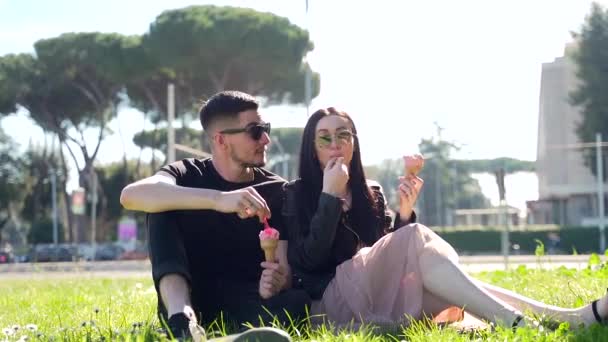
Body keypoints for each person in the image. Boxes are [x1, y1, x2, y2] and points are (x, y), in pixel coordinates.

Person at [284, 107, 608, 329]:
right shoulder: (296, 193)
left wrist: (404, 213)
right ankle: (519, 322)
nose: (336, 144)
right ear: (313, 148)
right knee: (415, 238)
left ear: (354, 144)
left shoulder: (371, 192)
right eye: (325, 137)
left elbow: (388, 255)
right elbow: (308, 262)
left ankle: (567, 318)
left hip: (378, 293)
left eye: (344, 135)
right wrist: (329, 196)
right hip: (330, 304)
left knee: (457, 291)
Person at [120, 91, 309, 340]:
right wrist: (218, 200)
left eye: (266, 129)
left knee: (298, 302)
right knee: (161, 206)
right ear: (221, 140)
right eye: (255, 131)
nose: (266, 140)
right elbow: (130, 195)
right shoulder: (186, 174)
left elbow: (282, 270)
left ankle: (224, 338)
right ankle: (183, 323)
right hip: (190, 300)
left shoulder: (278, 191)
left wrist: (276, 282)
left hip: (250, 300)